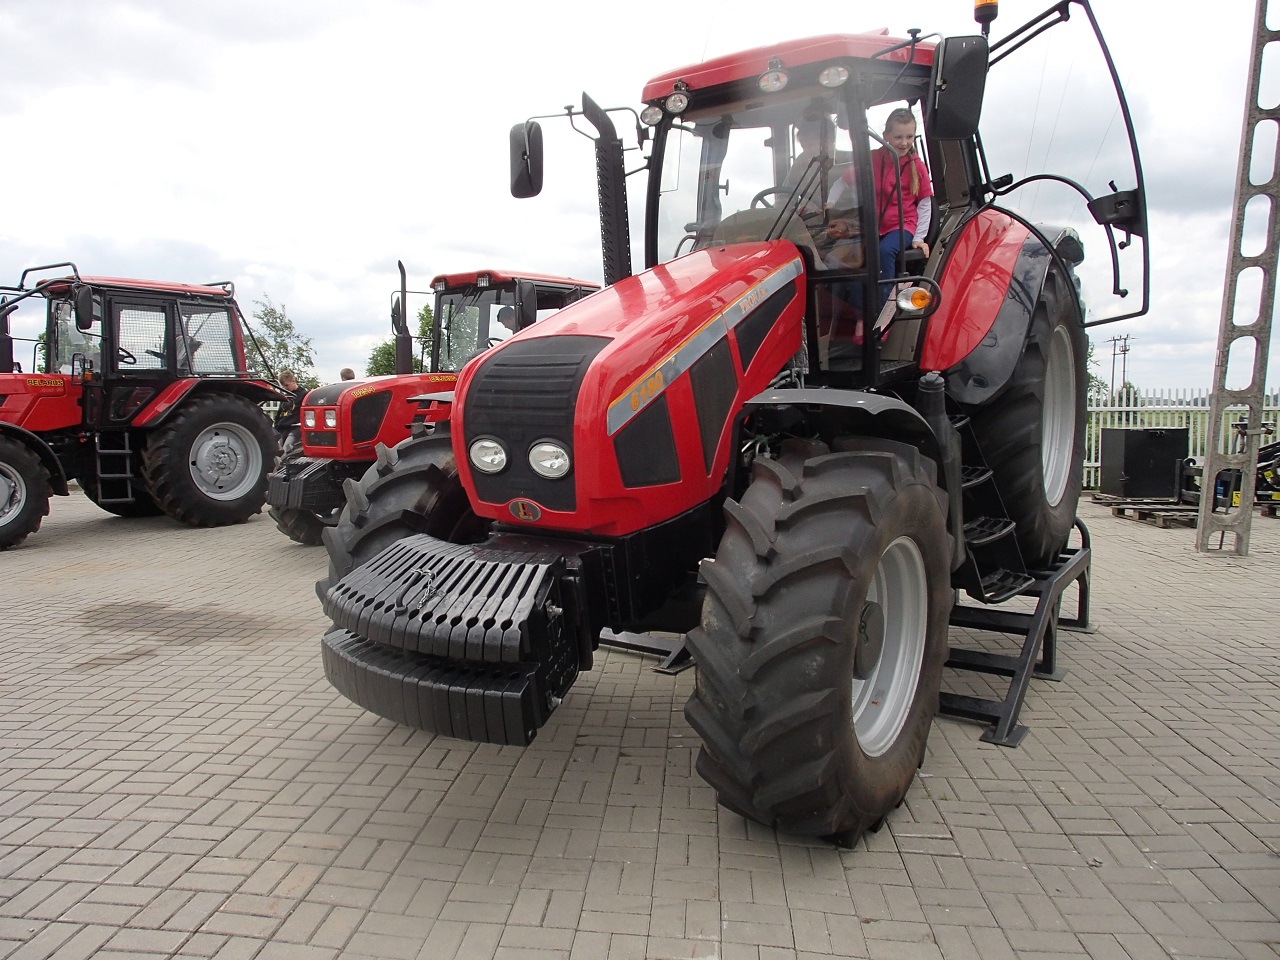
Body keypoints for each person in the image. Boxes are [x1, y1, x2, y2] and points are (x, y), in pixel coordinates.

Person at [830, 107, 933, 302]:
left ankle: (885, 304)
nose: (904, 143)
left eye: (909, 137)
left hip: (903, 226)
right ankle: (860, 309)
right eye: (898, 137)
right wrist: (829, 203)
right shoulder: (872, 159)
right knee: (852, 257)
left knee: (884, 251)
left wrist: (919, 237)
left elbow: (925, 204)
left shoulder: (917, 166)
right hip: (875, 227)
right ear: (885, 136)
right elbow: (841, 182)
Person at [274, 369, 307, 454]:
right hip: (282, 428)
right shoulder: (285, 396)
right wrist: (276, 426)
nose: (285, 388)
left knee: (286, 451)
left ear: (293, 381)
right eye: (283, 386)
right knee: (276, 450)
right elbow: (279, 413)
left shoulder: (303, 395)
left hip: (295, 427)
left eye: (287, 385)